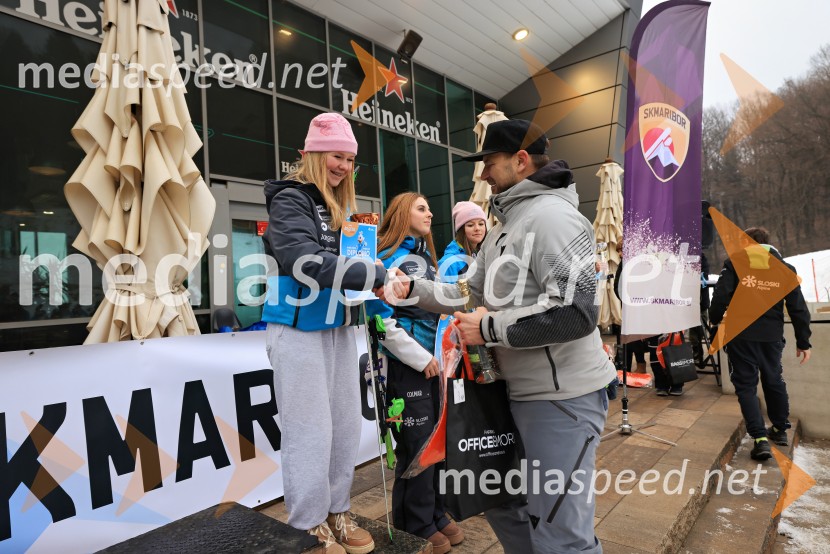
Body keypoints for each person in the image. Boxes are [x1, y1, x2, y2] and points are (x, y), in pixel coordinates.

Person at [380, 119, 615, 554]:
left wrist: (487, 328)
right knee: (503, 504)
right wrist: (412, 289)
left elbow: (577, 312)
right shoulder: (505, 224)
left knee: (560, 529)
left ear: (520, 161)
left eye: (490, 162)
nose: (484, 174)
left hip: (561, 400)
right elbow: (468, 289)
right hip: (515, 398)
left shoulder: (555, 218)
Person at [262, 112, 384, 554]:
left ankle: (337, 510)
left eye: (350, 160)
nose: (344, 167)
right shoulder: (290, 198)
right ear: (312, 154)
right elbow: (302, 260)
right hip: (296, 327)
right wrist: (374, 272)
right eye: (336, 156)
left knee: (345, 427)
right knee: (309, 431)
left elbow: (349, 269)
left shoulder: (344, 208)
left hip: (336, 325)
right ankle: (308, 523)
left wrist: (376, 283)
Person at [365, 192, 464, 554]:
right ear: (402, 212)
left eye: (428, 207)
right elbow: (379, 319)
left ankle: (435, 512)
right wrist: (419, 358)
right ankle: (415, 523)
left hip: (439, 366)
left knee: (438, 442)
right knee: (417, 445)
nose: (430, 213)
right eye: (421, 207)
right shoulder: (386, 258)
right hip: (409, 369)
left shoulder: (426, 258)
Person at [709, 226, 812, 461]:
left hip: (741, 337)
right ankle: (779, 428)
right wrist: (803, 342)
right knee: (773, 379)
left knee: (746, 386)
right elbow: (798, 309)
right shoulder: (785, 269)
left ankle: (759, 438)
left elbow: (720, 296)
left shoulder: (735, 264)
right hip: (772, 337)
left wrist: (715, 319)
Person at [438, 201, 487, 283]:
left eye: (481, 224)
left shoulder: (483, 255)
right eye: (470, 225)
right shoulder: (449, 263)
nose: (477, 228)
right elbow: (444, 294)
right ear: (461, 230)